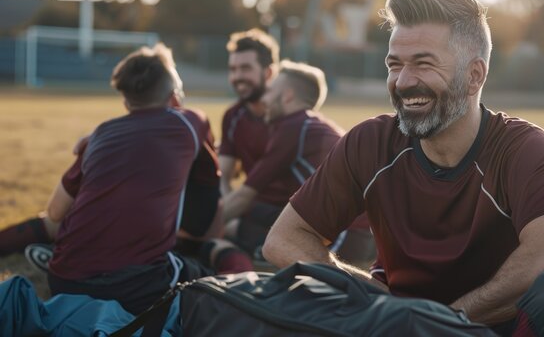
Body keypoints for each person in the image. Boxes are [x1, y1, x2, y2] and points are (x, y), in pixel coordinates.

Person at [263, 0, 544, 336]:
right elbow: (283, 239)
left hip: (486, 325)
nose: (403, 82)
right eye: (395, 65)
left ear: (474, 75)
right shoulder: (369, 142)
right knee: (300, 294)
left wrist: (436, 325)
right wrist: (374, 296)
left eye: (423, 63)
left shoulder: (524, 148)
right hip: (395, 322)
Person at [0, 44, 248, 314]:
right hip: (137, 285)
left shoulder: (100, 135)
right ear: (175, 98)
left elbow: (55, 211)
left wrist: (92, 142)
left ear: (126, 101)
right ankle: (234, 275)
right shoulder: (191, 121)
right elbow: (207, 181)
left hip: (64, 280)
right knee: (223, 274)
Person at [221, 60, 375, 267]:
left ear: (287, 96)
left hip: (348, 232)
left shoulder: (294, 127)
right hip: (359, 230)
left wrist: (197, 232)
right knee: (257, 217)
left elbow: (243, 196)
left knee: (267, 243)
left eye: (270, 91)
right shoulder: (309, 125)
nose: (263, 99)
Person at [219, 28, 279, 197]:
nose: (237, 76)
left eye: (245, 68)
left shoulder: (290, 116)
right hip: (254, 209)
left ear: (268, 72)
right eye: (233, 69)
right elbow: (223, 178)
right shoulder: (233, 117)